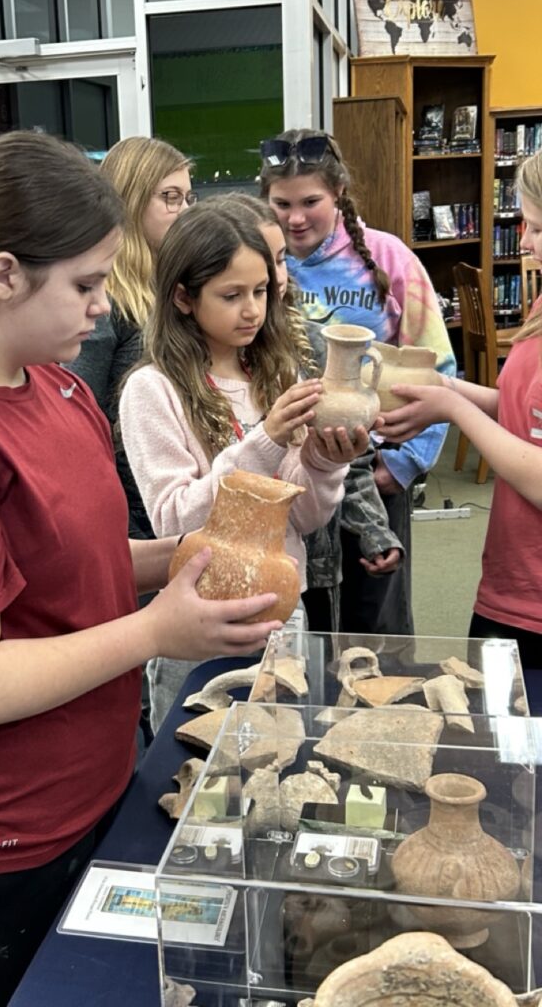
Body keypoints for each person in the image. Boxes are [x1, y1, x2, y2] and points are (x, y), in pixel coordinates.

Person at [0, 131, 286, 1007]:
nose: (103, 309)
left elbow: (65, 565)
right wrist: (160, 629)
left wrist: (173, 558)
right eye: (83, 285)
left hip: (90, 788)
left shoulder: (59, 386)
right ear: (2, 275)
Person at [119, 196, 369, 730]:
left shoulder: (273, 372)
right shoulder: (152, 389)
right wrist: (267, 438)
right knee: (192, 779)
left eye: (261, 291)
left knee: (280, 763)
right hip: (199, 622)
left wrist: (325, 464)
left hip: (283, 614)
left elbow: (302, 519)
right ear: (183, 297)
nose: (252, 310)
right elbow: (177, 521)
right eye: (231, 295)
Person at [260, 128, 456, 635]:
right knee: (307, 617)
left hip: (374, 471)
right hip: (292, 476)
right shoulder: (262, 268)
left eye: (311, 202)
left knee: (377, 619)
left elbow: (439, 369)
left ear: (339, 193)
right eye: (281, 203)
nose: (295, 218)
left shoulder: (389, 259)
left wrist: (406, 461)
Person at [378, 149, 542, 704]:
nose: (523, 242)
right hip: (507, 581)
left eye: (537, 229)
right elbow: (520, 407)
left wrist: (454, 412)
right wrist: (446, 390)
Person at [225, 193, 403, 633]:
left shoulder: (311, 344)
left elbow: (351, 458)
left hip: (317, 558)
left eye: (282, 261)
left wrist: (373, 527)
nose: (277, 277)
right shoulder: (209, 364)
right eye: (265, 265)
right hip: (240, 567)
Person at [66, 136, 194, 540]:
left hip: (176, 488)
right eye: (170, 197)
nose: (183, 211)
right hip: (129, 509)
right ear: (131, 200)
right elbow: (76, 414)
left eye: (188, 198)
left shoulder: (171, 287)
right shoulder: (105, 303)